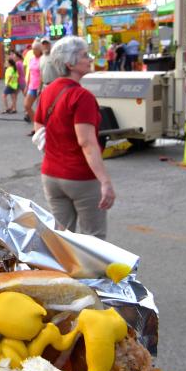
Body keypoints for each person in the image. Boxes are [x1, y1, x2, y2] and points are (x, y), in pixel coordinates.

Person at [34, 37, 115, 239]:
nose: (89, 59)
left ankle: (64, 271)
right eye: (85, 56)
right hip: (81, 177)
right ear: (70, 64)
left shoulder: (48, 91)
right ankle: (93, 272)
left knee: (63, 239)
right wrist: (105, 181)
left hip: (51, 175)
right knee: (93, 239)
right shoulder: (82, 96)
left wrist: (53, 148)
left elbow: (38, 126)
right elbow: (86, 142)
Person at [23, 41, 45, 135]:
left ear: (40, 50)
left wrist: (40, 87)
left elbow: (42, 75)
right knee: (27, 106)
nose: (34, 51)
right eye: (33, 49)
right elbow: (29, 73)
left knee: (40, 108)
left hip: (40, 86)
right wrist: (27, 86)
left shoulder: (42, 59)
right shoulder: (32, 59)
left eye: (35, 49)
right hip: (32, 86)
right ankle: (36, 125)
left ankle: (39, 128)